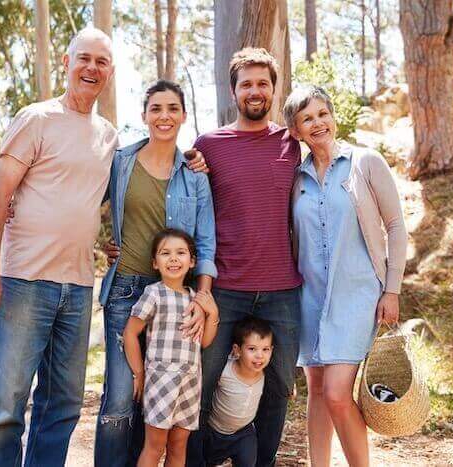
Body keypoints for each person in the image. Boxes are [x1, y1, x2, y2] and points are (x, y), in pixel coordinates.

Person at [0, 27, 118, 467]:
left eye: (101, 61)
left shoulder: (108, 136)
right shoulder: (36, 118)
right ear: (66, 62)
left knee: (63, 405)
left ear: (109, 72)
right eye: (84, 58)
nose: (91, 68)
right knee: (7, 407)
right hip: (24, 281)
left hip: (77, 287)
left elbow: (103, 197)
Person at [186, 48, 302, 467]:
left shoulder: (293, 143)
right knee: (201, 383)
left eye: (263, 83)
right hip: (225, 290)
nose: (255, 91)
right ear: (233, 90)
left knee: (278, 388)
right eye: (246, 84)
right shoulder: (208, 146)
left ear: (274, 89)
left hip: (283, 290)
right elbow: (187, 206)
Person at [283, 85, 408, 467]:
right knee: (317, 391)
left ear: (333, 116)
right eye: (307, 118)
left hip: (356, 297)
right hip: (309, 298)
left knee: (337, 393)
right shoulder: (295, 178)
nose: (317, 123)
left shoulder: (365, 162)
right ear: (296, 131)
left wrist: (392, 289)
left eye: (323, 113)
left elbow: (396, 225)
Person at [95, 80, 216, 467]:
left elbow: (206, 240)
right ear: (144, 115)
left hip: (178, 295)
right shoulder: (120, 162)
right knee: (120, 398)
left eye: (172, 109)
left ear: (182, 115)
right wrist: (98, 244)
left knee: (166, 401)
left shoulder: (195, 174)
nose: (164, 116)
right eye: (156, 108)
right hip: (126, 289)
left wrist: (203, 294)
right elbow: (79, 200)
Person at [123, 229, 220, 467]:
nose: (174, 259)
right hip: (161, 381)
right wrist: (139, 372)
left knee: (178, 446)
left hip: (190, 383)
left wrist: (213, 313)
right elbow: (130, 333)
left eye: (181, 253)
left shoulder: (196, 300)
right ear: (155, 263)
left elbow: (204, 342)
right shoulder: (154, 293)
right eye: (165, 253)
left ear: (193, 261)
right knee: (155, 447)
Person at [203, 317, 273, 467]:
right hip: (214, 432)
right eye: (252, 349)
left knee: (248, 462)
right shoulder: (225, 371)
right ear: (237, 350)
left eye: (265, 349)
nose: (259, 355)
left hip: (243, 433)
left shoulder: (267, 374)